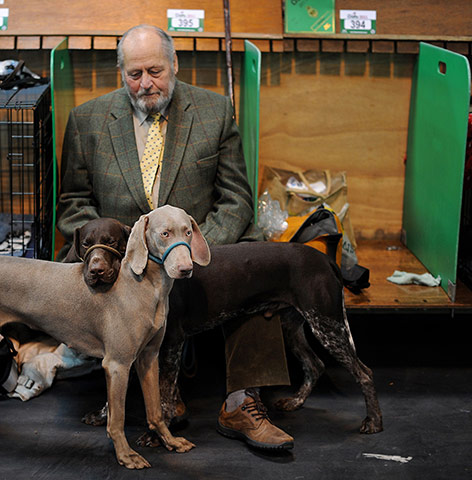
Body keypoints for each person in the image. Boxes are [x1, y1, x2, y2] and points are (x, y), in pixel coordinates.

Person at [56, 24, 294, 450]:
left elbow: (236, 199)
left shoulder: (215, 111)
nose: (145, 83)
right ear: (121, 73)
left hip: (194, 245)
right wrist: (118, 253)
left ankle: (242, 401)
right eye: (134, 74)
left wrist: (189, 250)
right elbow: (74, 206)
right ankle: (148, 396)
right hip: (124, 257)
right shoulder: (87, 120)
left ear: (175, 65)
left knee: (257, 264)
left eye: (155, 70)